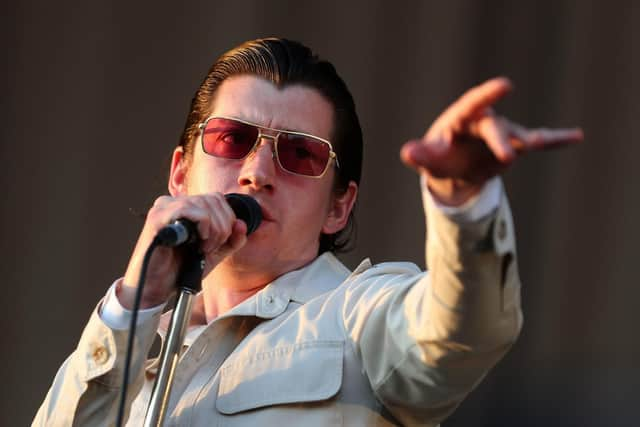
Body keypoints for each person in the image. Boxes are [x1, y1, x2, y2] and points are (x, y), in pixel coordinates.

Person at [33, 38, 582, 426]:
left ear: (338, 208)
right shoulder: (127, 338)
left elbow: (462, 331)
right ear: (181, 173)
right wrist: (135, 305)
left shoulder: (358, 316)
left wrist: (465, 202)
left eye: (299, 153)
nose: (257, 171)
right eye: (231, 138)